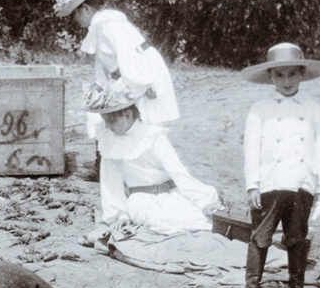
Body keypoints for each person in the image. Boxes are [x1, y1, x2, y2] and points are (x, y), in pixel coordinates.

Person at [240, 42, 320, 288]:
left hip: (301, 183)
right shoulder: (260, 109)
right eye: (280, 75)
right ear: (271, 77)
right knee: (261, 237)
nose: (287, 81)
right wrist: (252, 184)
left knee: (297, 239)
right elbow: (251, 148)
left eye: (292, 74)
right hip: (269, 183)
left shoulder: (313, 109)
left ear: (302, 74)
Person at [52, 0, 179, 168]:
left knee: (142, 119)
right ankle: (108, 162)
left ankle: (137, 165)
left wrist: (142, 83)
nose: (75, 21)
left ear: (85, 9)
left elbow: (129, 54)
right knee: (101, 112)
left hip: (142, 71)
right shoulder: (101, 25)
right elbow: (104, 62)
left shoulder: (108, 24)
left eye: (75, 15)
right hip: (130, 73)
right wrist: (101, 87)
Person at [86, 85, 221, 235]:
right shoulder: (109, 140)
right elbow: (110, 183)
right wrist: (120, 215)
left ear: (128, 114)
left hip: (170, 194)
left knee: (197, 219)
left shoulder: (153, 135)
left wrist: (202, 202)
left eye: (112, 121)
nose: (107, 126)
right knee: (163, 224)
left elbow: (177, 172)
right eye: (105, 121)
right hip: (141, 199)